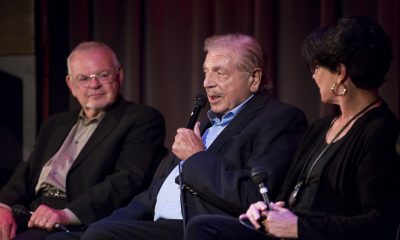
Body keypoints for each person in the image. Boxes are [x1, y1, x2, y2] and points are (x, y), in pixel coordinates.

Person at [46, 34, 308, 240]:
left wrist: (196, 158)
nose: (207, 82)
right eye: (206, 71)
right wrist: (95, 226)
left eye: (220, 72)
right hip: (155, 224)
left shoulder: (279, 119)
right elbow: (151, 196)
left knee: (102, 236)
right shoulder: (205, 124)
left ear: (254, 78)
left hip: (198, 229)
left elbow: (254, 197)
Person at [183, 16, 400, 240]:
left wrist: (299, 227)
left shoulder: (380, 131)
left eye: (316, 66)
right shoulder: (320, 128)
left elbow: (380, 224)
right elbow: (287, 194)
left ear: (340, 72)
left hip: (313, 235)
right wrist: (266, 210)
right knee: (205, 227)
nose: (314, 75)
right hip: (285, 232)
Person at [0, 41, 166, 240]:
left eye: (103, 75)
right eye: (83, 78)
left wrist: (66, 214)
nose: (94, 85)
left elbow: (126, 181)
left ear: (119, 75)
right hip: (29, 212)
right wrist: (4, 206)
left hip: (78, 220)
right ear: (71, 84)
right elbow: (27, 171)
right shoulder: (55, 123)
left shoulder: (142, 119)